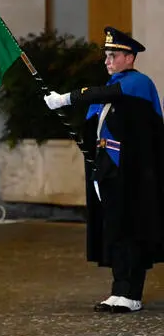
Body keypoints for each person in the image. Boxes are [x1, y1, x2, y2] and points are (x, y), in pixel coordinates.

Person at [44, 26, 164, 313]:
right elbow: (95, 124)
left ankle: (131, 293)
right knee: (116, 231)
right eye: (106, 56)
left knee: (130, 230)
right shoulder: (114, 90)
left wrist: (65, 98)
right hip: (110, 171)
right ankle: (120, 290)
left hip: (132, 175)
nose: (107, 61)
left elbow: (100, 95)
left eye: (113, 55)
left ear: (130, 57)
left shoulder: (137, 83)